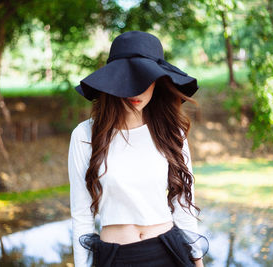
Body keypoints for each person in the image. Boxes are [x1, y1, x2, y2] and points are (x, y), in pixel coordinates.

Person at [68, 30, 209, 267]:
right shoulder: (85, 135)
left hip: (168, 254)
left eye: (146, 79)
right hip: (115, 258)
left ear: (158, 80)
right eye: (129, 79)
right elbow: (81, 217)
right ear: (113, 79)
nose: (137, 90)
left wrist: (198, 264)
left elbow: (183, 209)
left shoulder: (172, 132)